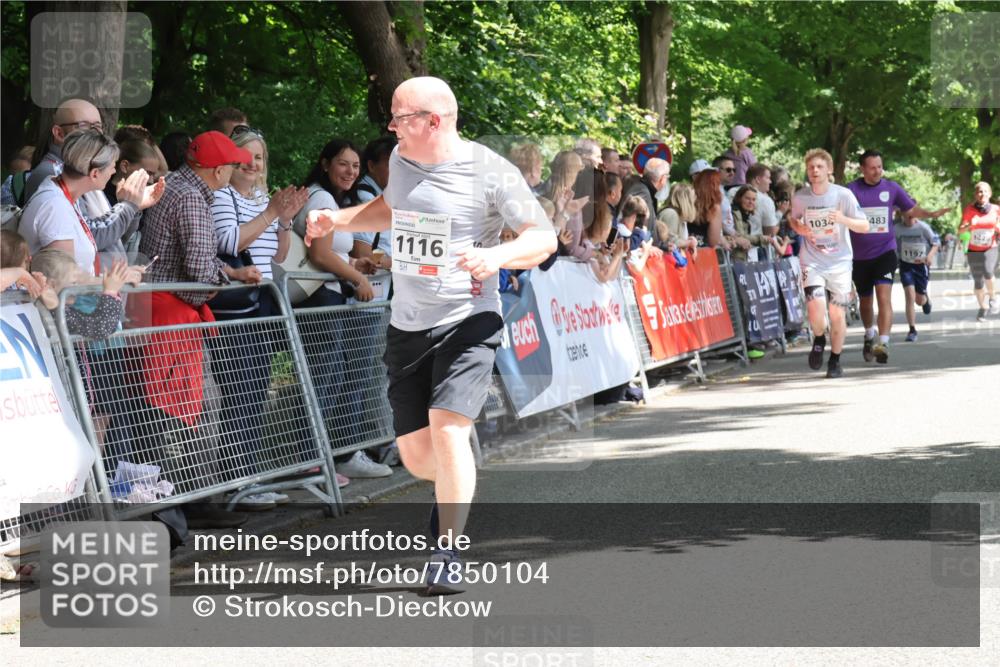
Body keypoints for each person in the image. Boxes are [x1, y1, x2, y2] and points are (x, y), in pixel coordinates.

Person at [305, 76, 556, 594]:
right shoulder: (401, 160)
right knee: (421, 458)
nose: (391, 127)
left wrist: (495, 256)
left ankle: (448, 552)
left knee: (448, 433)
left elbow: (543, 237)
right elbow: (394, 209)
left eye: (400, 118)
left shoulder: (490, 172)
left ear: (433, 121)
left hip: (469, 316)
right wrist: (339, 217)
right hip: (408, 322)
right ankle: (449, 506)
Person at [138, 130, 260, 529]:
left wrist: (227, 271)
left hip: (156, 312)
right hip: (173, 318)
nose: (235, 171)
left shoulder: (172, 185)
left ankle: (183, 499)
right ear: (218, 170)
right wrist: (226, 281)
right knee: (194, 409)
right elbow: (198, 270)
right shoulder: (192, 199)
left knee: (174, 409)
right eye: (232, 166)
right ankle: (194, 500)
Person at [295, 138, 392, 481]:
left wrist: (357, 263)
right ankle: (312, 459)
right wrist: (357, 279)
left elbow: (330, 252)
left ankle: (326, 456)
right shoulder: (321, 199)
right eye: (343, 164)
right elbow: (320, 256)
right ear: (324, 164)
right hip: (320, 298)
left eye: (354, 165)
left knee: (331, 376)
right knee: (322, 379)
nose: (350, 171)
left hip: (329, 295)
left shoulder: (334, 201)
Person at [846, 150, 952, 363]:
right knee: (865, 302)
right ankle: (869, 335)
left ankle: (883, 343)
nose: (878, 171)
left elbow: (911, 209)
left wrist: (931, 214)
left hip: (885, 252)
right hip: (859, 257)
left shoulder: (891, 188)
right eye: (873, 167)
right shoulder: (850, 190)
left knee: (884, 297)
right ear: (862, 169)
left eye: (880, 166)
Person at [18, 129, 157, 277]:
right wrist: (116, 279)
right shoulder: (55, 207)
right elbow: (64, 282)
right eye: (112, 166)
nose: (113, 171)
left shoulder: (62, 193)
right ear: (95, 173)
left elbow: (96, 232)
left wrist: (132, 206)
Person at [788, 149, 870, 379]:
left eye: (819, 167)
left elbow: (864, 226)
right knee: (815, 308)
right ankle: (819, 337)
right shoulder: (801, 197)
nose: (814, 171)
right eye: (811, 167)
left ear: (829, 170)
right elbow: (793, 220)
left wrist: (842, 219)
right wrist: (800, 228)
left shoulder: (843, 196)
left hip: (840, 263)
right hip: (811, 260)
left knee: (837, 313)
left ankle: (835, 360)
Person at [895, 211, 940, 341]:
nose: (910, 219)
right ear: (901, 215)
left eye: (912, 215)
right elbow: (890, 244)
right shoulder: (896, 229)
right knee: (909, 295)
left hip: (921, 266)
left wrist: (930, 256)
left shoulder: (923, 227)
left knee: (919, 301)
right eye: (907, 215)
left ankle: (925, 298)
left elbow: (936, 242)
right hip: (906, 265)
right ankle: (912, 330)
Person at [958, 181, 1000, 322]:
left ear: (990, 194)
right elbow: (960, 230)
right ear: (976, 195)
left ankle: (993, 297)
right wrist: (971, 224)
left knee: (988, 271)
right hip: (974, 249)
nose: (982, 194)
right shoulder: (969, 210)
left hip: (990, 247)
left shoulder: (996, 209)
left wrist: (998, 228)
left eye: (985, 191)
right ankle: (982, 308)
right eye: (979, 192)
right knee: (978, 282)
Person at [621, 156, 670, 247]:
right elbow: (629, 223)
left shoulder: (643, 189)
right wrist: (643, 245)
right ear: (663, 179)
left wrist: (665, 246)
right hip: (634, 253)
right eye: (667, 177)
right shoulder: (642, 191)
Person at [689, 168, 724, 248]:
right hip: (702, 251)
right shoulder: (714, 208)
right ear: (715, 186)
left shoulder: (688, 201)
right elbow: (713, 241)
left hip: (685, 247)